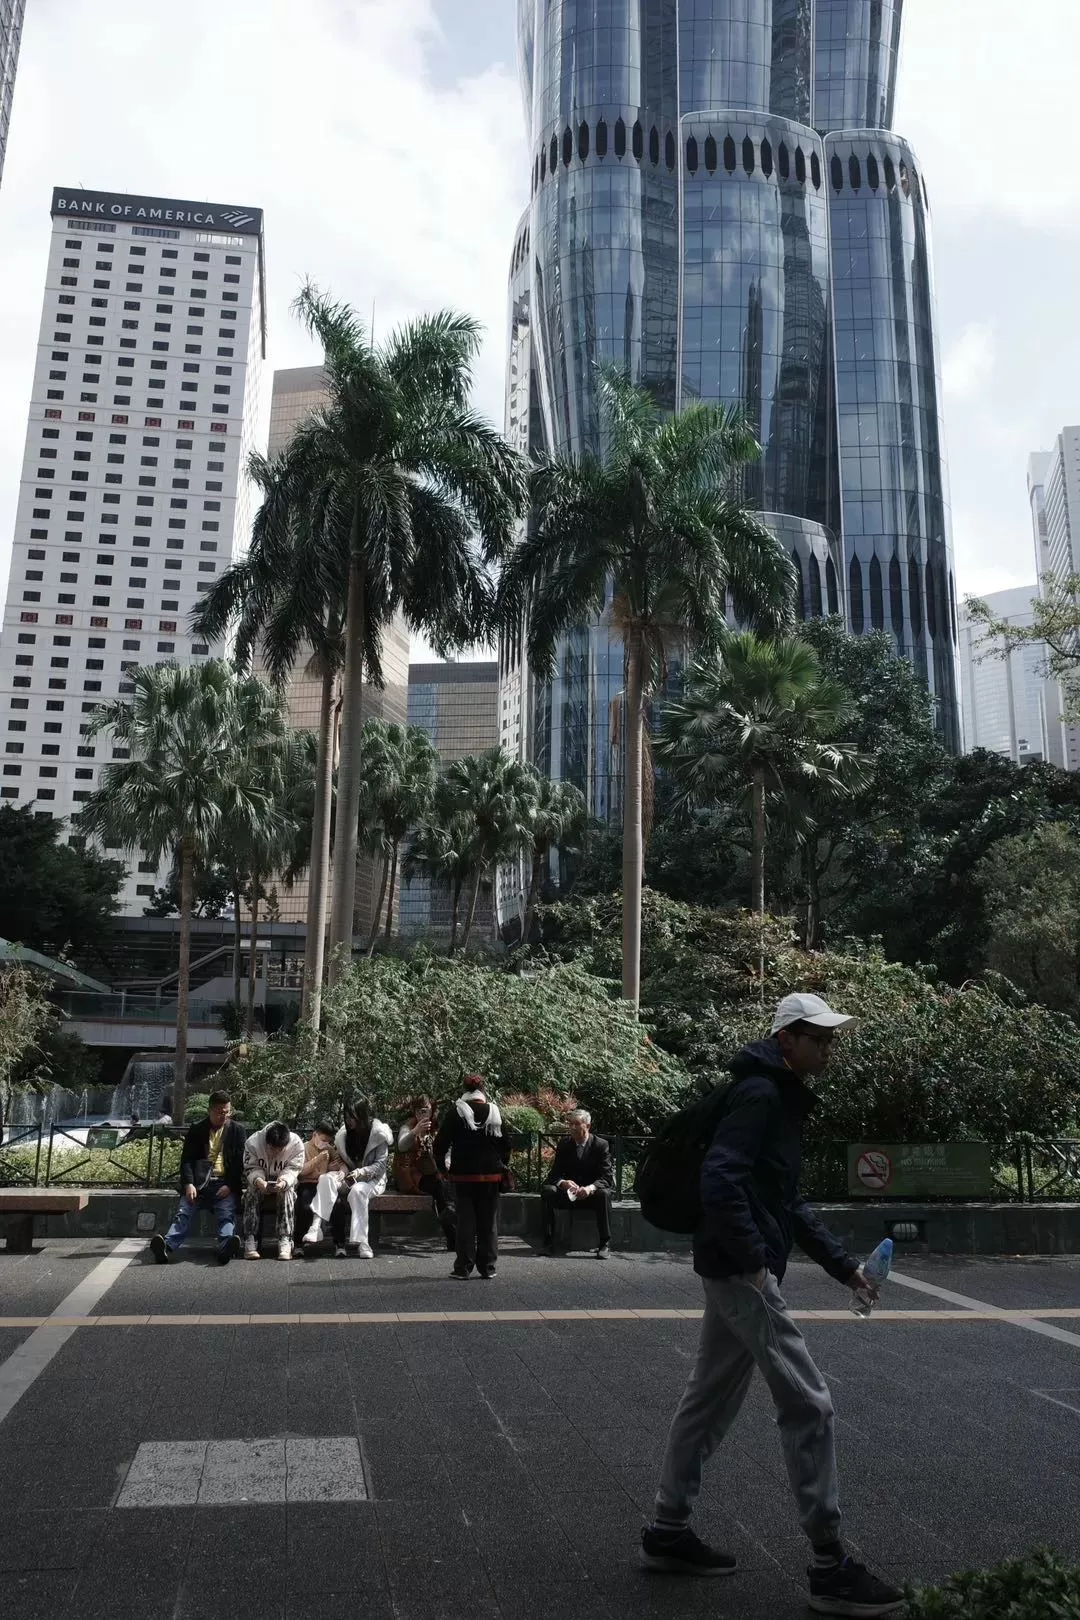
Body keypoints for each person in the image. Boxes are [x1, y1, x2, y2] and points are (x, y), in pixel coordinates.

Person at [639, 993, 905, 1617]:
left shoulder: (774, 1094)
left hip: (735, 1266)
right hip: (742, 1272)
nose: (829, 1048)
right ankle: (830, 1565)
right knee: (809, 1403)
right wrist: (756, 1263)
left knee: (708, 1400)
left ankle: (668, 1530)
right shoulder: (761, 1095)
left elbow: (784, 1199)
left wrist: (845, 1269)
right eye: (819, 1038)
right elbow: (722, 1179)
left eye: (831, 1038)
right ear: (788, 1039)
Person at [150, 1090, 246, 1265]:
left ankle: (226, 1247)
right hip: (199, 1184)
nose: (223, 1116)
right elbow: (187, 1159)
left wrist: (230, 1186)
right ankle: (167, 1246)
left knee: (226, 1213)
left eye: (226, 1112)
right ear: (210, 1110)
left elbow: (239, 1163)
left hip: (224, 1183)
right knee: (184, 1213)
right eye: (219, 1112)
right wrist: (189, 1184)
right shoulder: (197, 1130)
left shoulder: (237, 1131)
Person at [434, 1076, 513, 1281]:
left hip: (463, 1176)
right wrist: (500, 1163)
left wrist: (442, 1169)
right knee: (488, 1223)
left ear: (465, 1089)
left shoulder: (456, 1112)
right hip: (491, 1176)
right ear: (482, 1089)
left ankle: (463, 1268)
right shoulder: (494, 1111)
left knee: (465, 1222)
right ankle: (488, 1267)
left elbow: (440, 1145)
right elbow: (506, 1145)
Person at [541, 1108, 614, 1259]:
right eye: (570, 1124)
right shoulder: (565, 1144)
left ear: (587, 1126)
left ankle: (604, 1244)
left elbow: (606, 1177)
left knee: (604, 1194)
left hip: (591, 1196)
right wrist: (563, 1183)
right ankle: (548, 1243)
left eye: (576, 1124)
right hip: (569, 1195)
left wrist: (590, 1188)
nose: (572, 1128)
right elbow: (554, 1175)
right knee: (549, 1191)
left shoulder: (601, 1145)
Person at [396, 1096, 456, 1251]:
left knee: (444, 1186)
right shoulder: (408, 1127)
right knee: (440, 1187)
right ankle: (453, 1236)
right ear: (414, 1112)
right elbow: (402, 1146)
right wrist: (415, 1131)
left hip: (434, 1174)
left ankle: (454, 1235)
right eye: (419, 1111)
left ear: (431, 1110)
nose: (422, 1114)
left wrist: (447, 1162)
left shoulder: (435, 1127)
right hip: (412, 1176)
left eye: (426, 1110)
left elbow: (447, 1148)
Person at [336, 1098, 394, 1258]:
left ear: (361, 1116)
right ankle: (316, 1229)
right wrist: (343, 1170)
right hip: (352, 1179)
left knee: (358, 1191)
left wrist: (361, 1172)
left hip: (374, 1180)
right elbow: (341, 1160)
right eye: (346, 1117)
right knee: (329, 1184)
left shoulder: (378, 1134)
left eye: (352, 1117)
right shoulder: (343, 1136)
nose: (349, 1121)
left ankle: (363, 1243)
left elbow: (381, 1166)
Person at [241, 1120, 305, 1261]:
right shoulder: (253, 1143)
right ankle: (250, 1239)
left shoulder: (296, 1144)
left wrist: (284, 1181)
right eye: (272, 1149)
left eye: (279, 1150)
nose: (275, 1153)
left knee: (287, 1191)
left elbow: (294, 1168)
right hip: (259, 1182)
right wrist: (258, 1180)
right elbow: (250, 1167)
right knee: (251, 1190)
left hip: (284, 1183)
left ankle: (285, 1239)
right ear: (266, 1142)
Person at [298, 1120, 348, 1247]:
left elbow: (341, 1164)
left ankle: (340, 1243)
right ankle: (299, 1243)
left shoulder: (329, 1149)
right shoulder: (303, 1148)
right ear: (315, 1135)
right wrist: (318, 1160)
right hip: (308, 1183)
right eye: (323, 1139)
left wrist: (342, 1171)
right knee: (304, 1206)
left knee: (337, 1206)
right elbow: (302, 1171)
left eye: (328, 1141)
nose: (324, 1143)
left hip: (325, 1186)